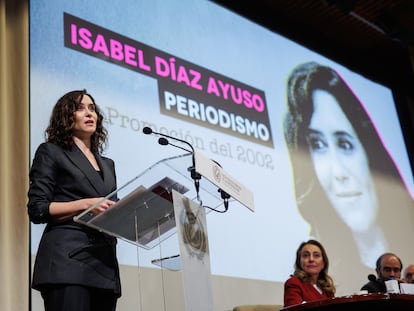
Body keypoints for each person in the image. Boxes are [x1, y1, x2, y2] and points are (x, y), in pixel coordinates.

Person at [283, 62, 414, 275]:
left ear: (369, 151)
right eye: (317, 146)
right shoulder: (321, 276)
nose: (338, 172)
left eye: (344, 144)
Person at [27, 90, 121, 311]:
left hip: (105, 267)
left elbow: (110, 210)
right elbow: (38, 209)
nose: (89, 113)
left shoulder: (108, 164)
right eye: (80, 108)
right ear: (66, 116)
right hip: (67, 263)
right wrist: (87, 204)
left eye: (92, 108)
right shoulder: (51, 152)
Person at [284, 239, 336, 307]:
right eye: (305, 255)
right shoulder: (294, 283)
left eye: (316, 255)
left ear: (323, 263)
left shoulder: (327, 289)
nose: (311, 259)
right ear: (299, 262)